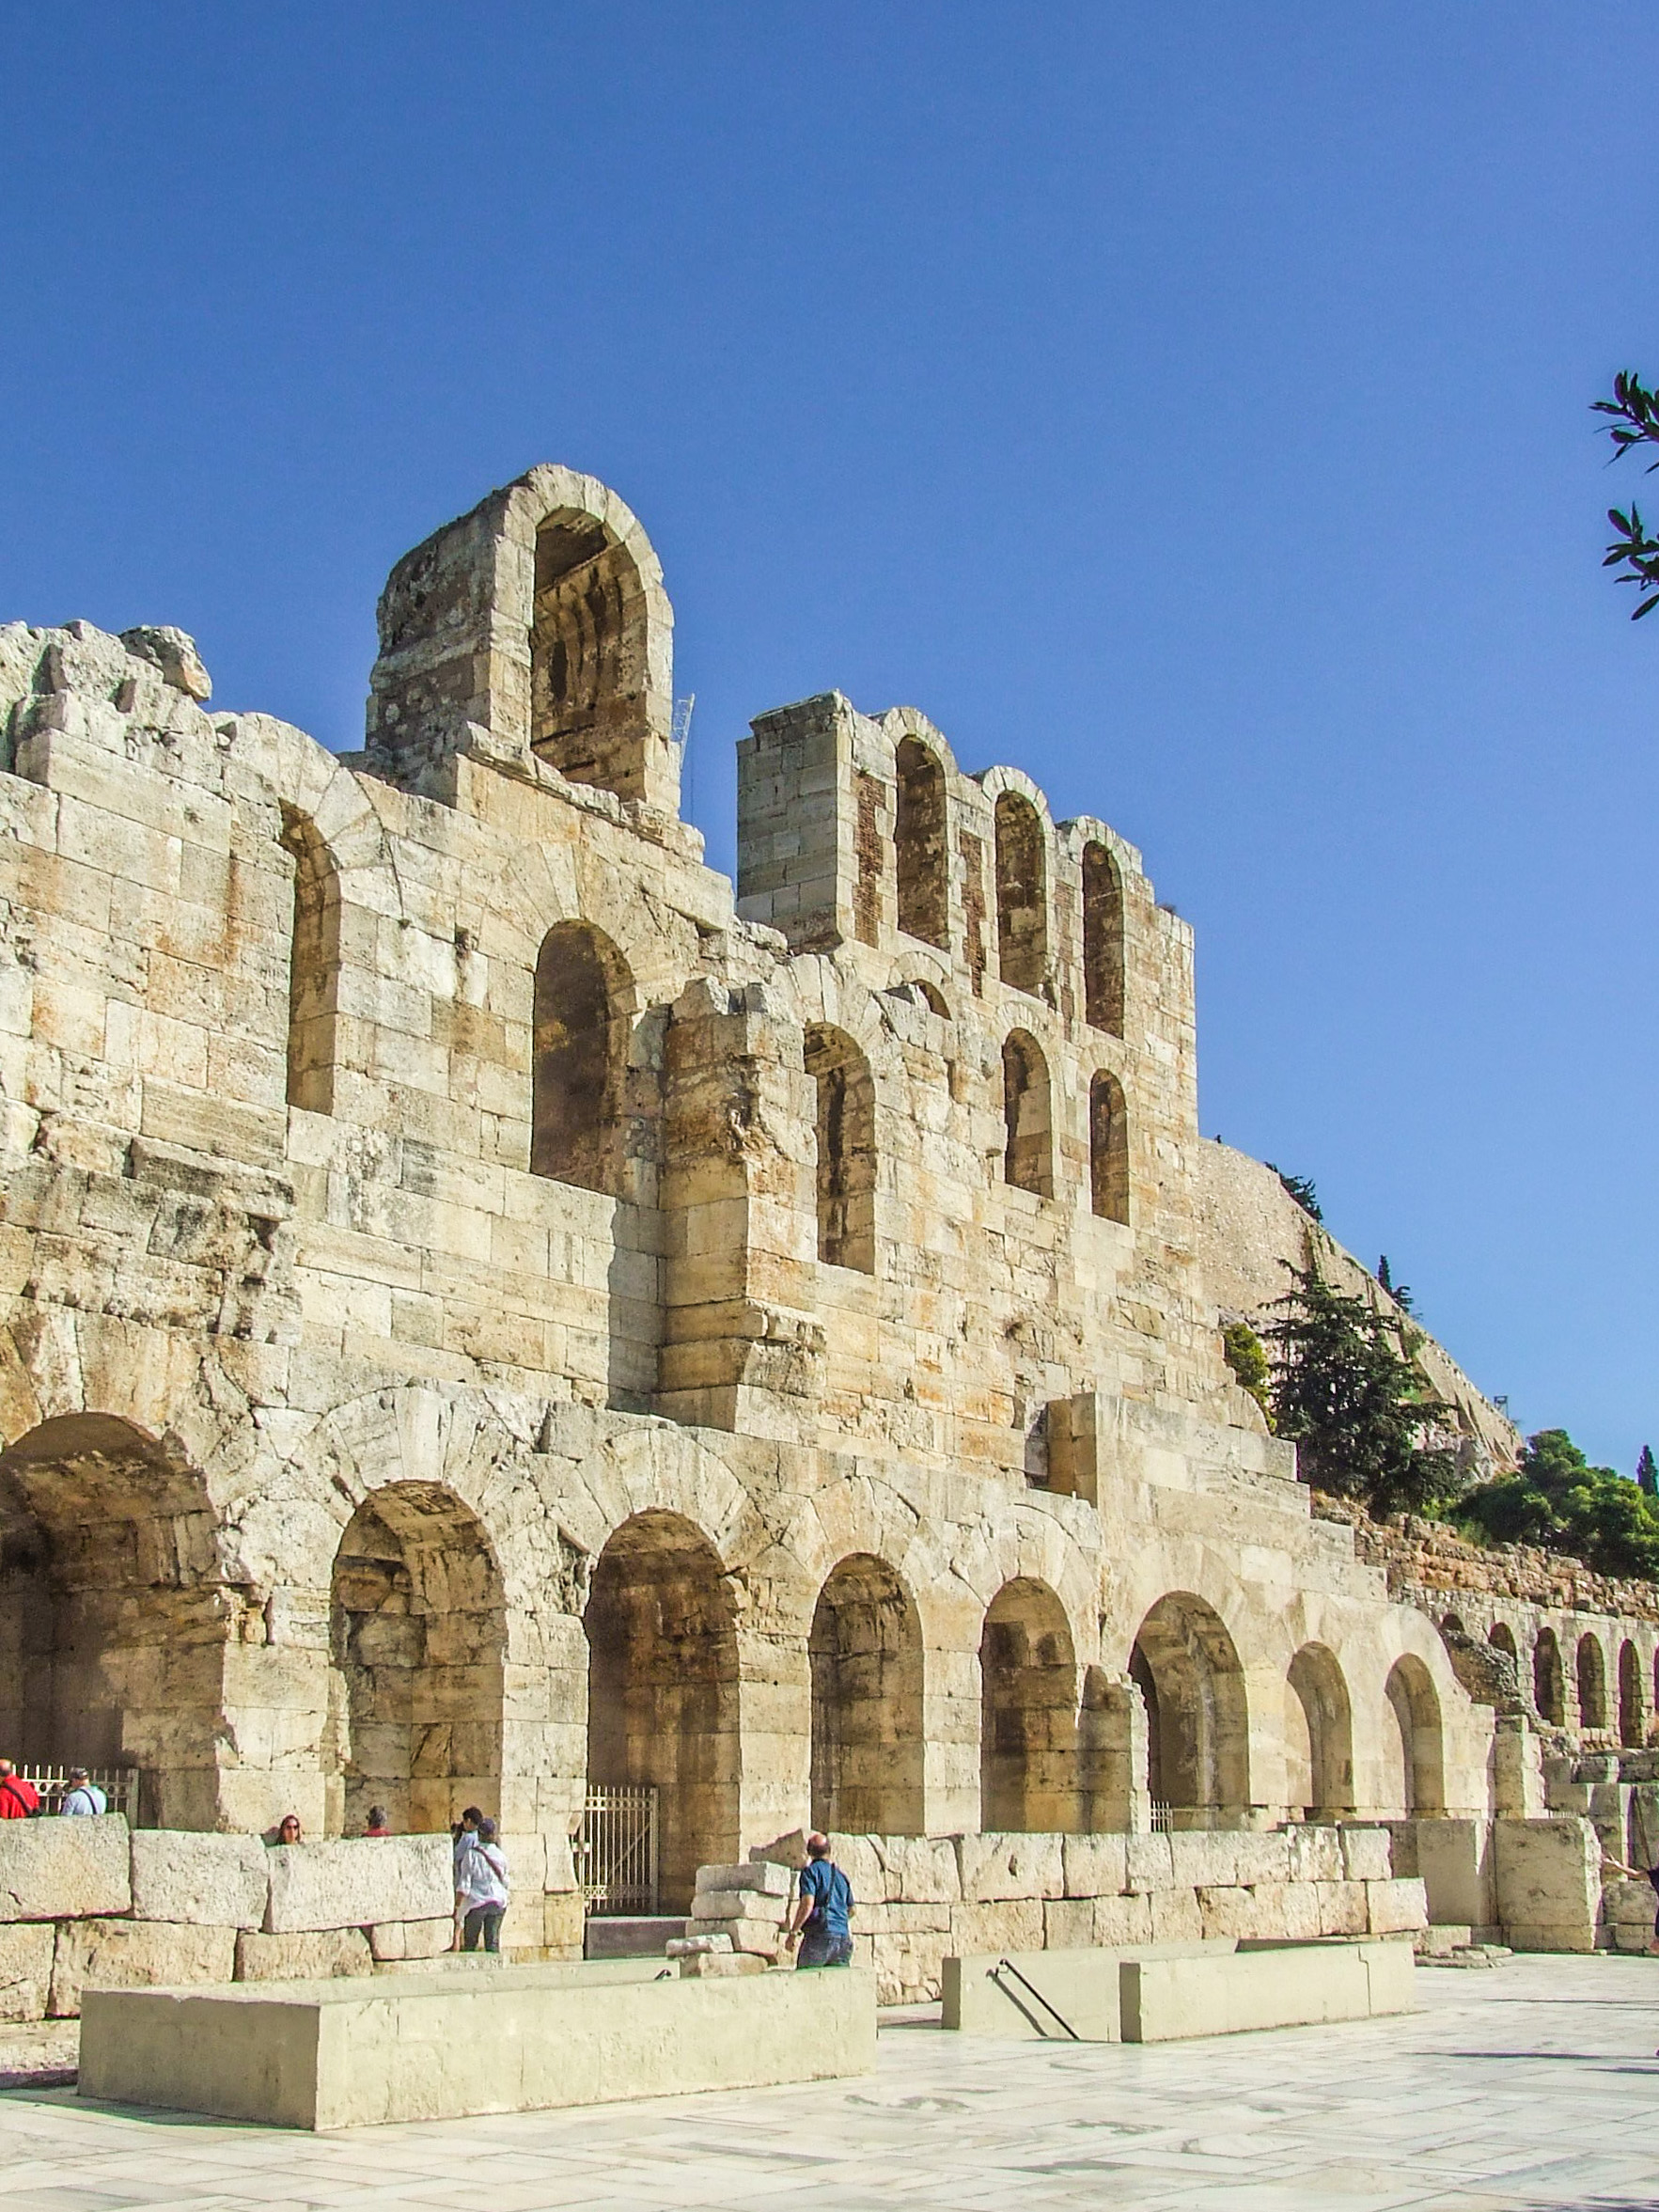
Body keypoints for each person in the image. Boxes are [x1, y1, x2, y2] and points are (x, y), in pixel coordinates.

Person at [786, 1832, 853, 1969]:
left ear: (809, 1852)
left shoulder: (810, 1872)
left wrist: (794, 1932)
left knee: (805, 1981)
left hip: (820, 1935)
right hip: (843, 1938)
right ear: (829, 1850)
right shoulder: (841, 1876)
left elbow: (807, 1904)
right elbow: (852, 1910)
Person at [456, 1815, 509, 1953]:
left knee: (470, 1943)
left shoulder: (471, 1855)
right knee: (492, 1943)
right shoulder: (500, 1855)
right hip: (498, 1901)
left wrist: (457, 1905)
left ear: (479, 1834)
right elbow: (506, 1881)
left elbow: (465, 1885)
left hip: (477, 1902)